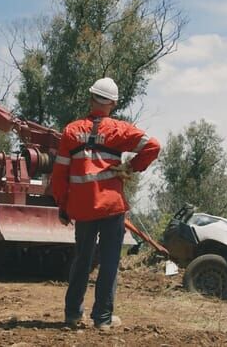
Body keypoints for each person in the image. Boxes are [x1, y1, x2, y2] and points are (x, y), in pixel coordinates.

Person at [51, 77, 160, 330]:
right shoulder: (119, 130)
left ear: (91, 98)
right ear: (113, 103)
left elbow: (60, 175)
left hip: (82, 208)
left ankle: (72, 315)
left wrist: (63, 205)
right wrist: (131, 167)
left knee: (82, 259)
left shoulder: (70, 131)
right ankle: (102, 319)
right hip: (111, 208)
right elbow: (153, 146)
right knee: (110, 261)